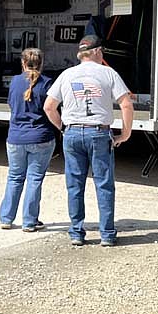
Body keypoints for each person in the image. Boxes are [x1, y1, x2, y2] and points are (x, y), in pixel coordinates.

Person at [44, 34, 133, 248]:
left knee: (74, 185)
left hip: (73, 133)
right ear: (96, 52)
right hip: (99, 133)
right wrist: (125, 133)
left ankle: (76, 232)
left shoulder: (67, 74)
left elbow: (49, 106)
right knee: (104, 185)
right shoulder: (108, 73)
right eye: (101, 51)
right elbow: (126, 104)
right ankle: (107, 234)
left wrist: (63, 128)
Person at [0, 48, 57, 232]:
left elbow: (10, 104)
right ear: (41, 63)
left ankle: (6, 218)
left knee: (14, 177)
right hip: (40, 136)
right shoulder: (47, 83)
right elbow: (51, 108)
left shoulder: (15, 82)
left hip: (16, 137)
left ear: (23, 63)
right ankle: (29, 221)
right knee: (34, 179)